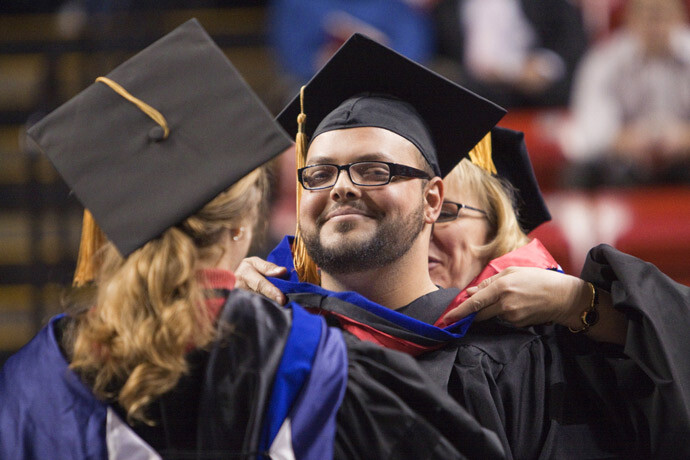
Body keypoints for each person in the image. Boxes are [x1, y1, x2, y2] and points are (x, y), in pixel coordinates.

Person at [0, 20, 506, 460]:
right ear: (244, 222)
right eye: (322, 174)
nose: (344, 187)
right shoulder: (319, 362)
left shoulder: (30, 381)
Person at [237, 35, 690, 457]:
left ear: (432, 200)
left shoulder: (517, 361)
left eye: (374, 170)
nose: (340, 187)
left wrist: (583, 302)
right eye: (318, 175)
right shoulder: (261, 347)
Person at [562, 0, 690, 186]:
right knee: (580, 172)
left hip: (684, 161)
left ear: (681, 17)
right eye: (647, 15)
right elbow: (589, 131)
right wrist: (626, 141)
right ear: (629, 18)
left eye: (663, 14)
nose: (655, 24)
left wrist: (683, 140)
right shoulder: (603, 59)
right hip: (624, 167)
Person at [433, 0, 588, 108]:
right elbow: (440, 58)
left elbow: (572, 43)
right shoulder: (446, 7)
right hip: (471, 91)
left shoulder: (547, 5)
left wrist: (543, 68)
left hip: (533, 91)